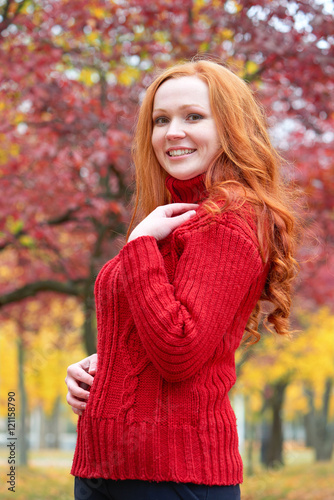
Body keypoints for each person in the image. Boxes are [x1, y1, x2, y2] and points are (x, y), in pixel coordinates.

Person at [65, 58, 298, 500]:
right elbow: (152, 330)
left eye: (193, 116)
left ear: (230, 127)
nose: (172, 131)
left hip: (172, 475)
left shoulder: (230, 219)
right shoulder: (172, 219)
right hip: (107, 466)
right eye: (160, 119)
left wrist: (138, 245)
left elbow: (179, 347)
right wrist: (103, 367)